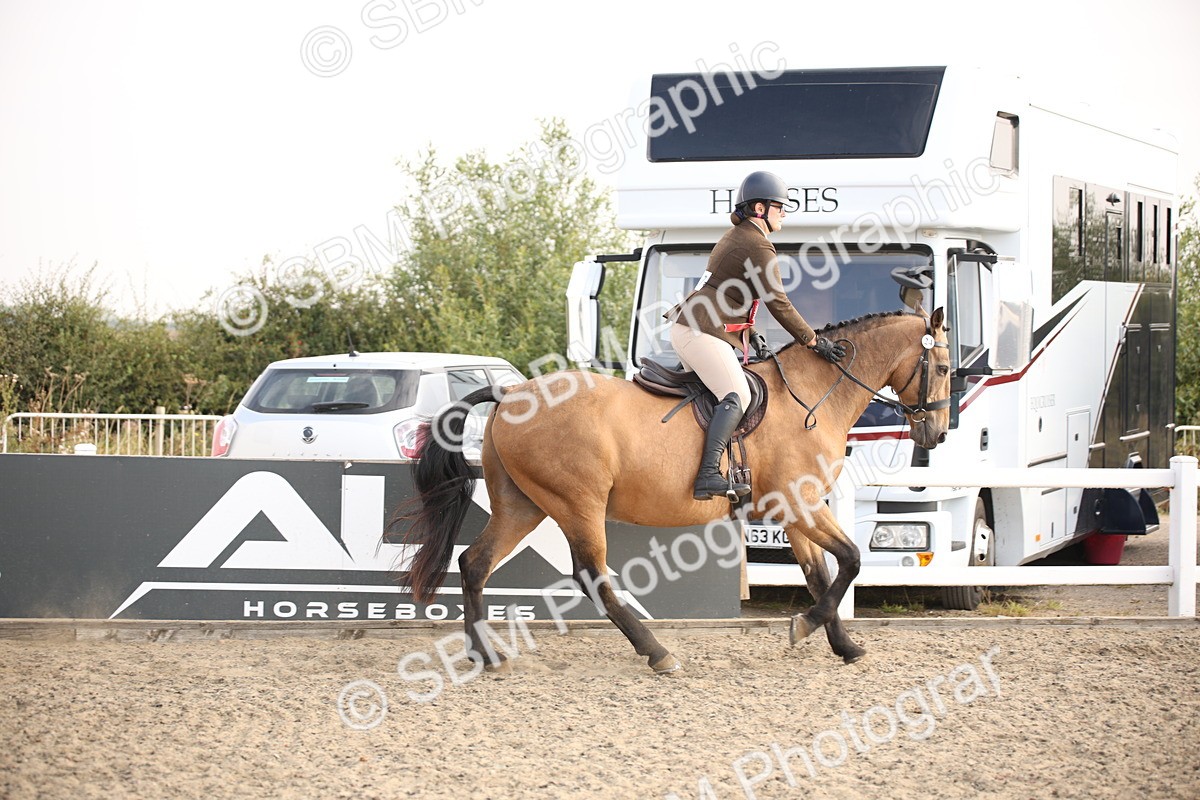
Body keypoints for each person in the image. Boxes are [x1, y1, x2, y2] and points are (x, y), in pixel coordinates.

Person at [664, 170, 847, 501]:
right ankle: (707, 476)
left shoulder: (740, 237)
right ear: (760, 209)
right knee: (737, 395)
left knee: (714, 398)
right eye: (781, 206)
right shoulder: (758, 244)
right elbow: (779, 302)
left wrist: (752, 334)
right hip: (699, 330)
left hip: (696, 326)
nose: (785, 213)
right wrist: (814, 341)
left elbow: (730, 296)